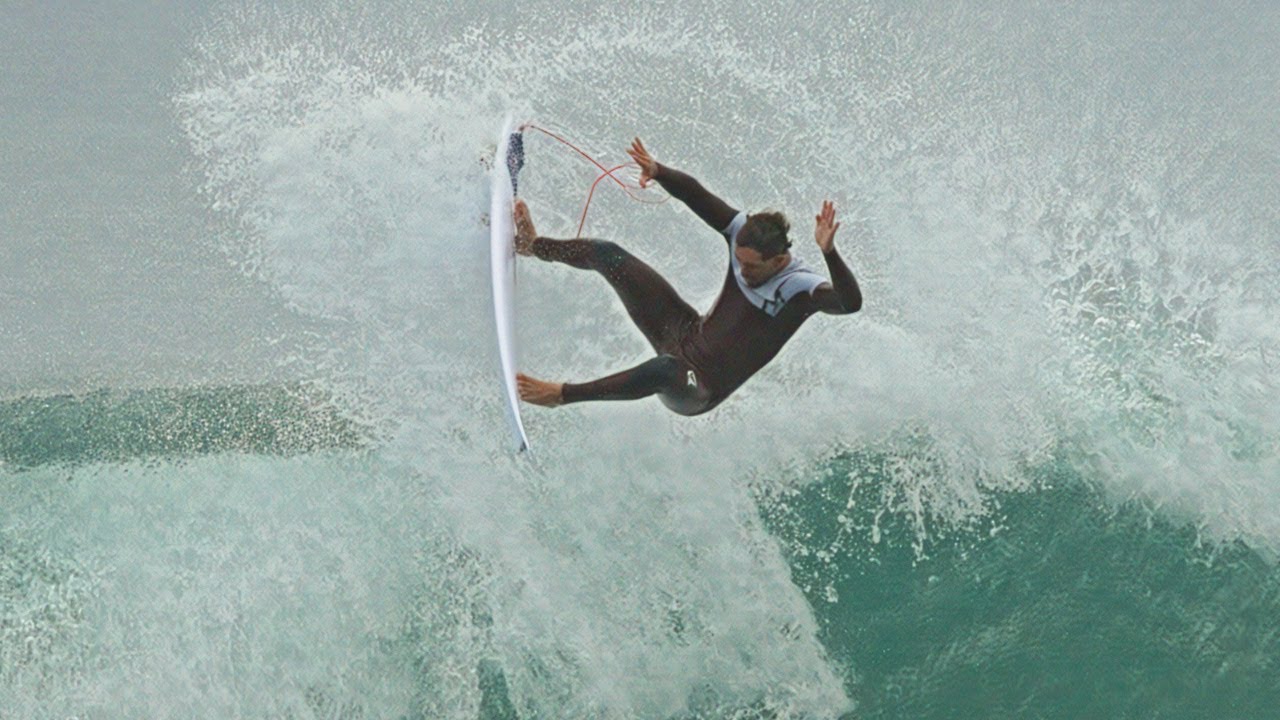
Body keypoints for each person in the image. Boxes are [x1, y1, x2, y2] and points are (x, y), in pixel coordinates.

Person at [515, 138, 862, 416]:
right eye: (739, 262)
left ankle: (560, 395)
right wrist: (658, 170)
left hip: (698, 387)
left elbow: (850, 303)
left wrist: (830, 252)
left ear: (780, 259)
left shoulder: (800, 288)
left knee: (665, 369)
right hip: (683, 331)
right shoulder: (742, 232)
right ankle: (532, 246)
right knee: (609, 254)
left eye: (753, 267)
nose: (743, 271)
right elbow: (697, 196)